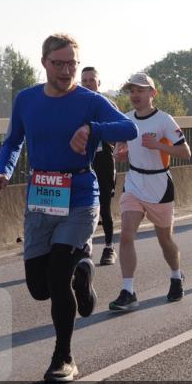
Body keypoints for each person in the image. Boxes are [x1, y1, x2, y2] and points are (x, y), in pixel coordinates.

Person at [0, 33, 137, 382]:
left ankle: (64, 357)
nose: (67, 70)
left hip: (80, 196)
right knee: (39, 287)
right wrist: (2, 170)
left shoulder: (90, 100)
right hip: (41, 197)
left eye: (72, 63)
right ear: (44, 63)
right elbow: (13, 141)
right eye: (59, 64)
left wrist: (92, 128)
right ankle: (82, 270)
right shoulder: (26, 99)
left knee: (57, 279)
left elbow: (128, 128)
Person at [109, 73, 192, 312]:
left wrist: (157, 145)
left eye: (140, 90)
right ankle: (128, 291)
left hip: (159, 185)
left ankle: (176, 276)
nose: (135, 95)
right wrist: (119, 154)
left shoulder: (164, 120)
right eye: (132, 91)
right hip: (134, 182)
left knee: (164, 239)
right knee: (126, 235)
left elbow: (185, 152)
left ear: (152, 94)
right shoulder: (126, 120)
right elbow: (121, 149)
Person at [80, 66, 118, 265]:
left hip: (103, 161)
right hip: (81, 160)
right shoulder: (74, 104)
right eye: (84, 81)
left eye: (91, 80)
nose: (88, 84)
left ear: (99, 83)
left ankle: (109, 247)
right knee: (81, 207)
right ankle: (82, 249)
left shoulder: (107, 104)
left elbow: (120, 130)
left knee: (104, 205)